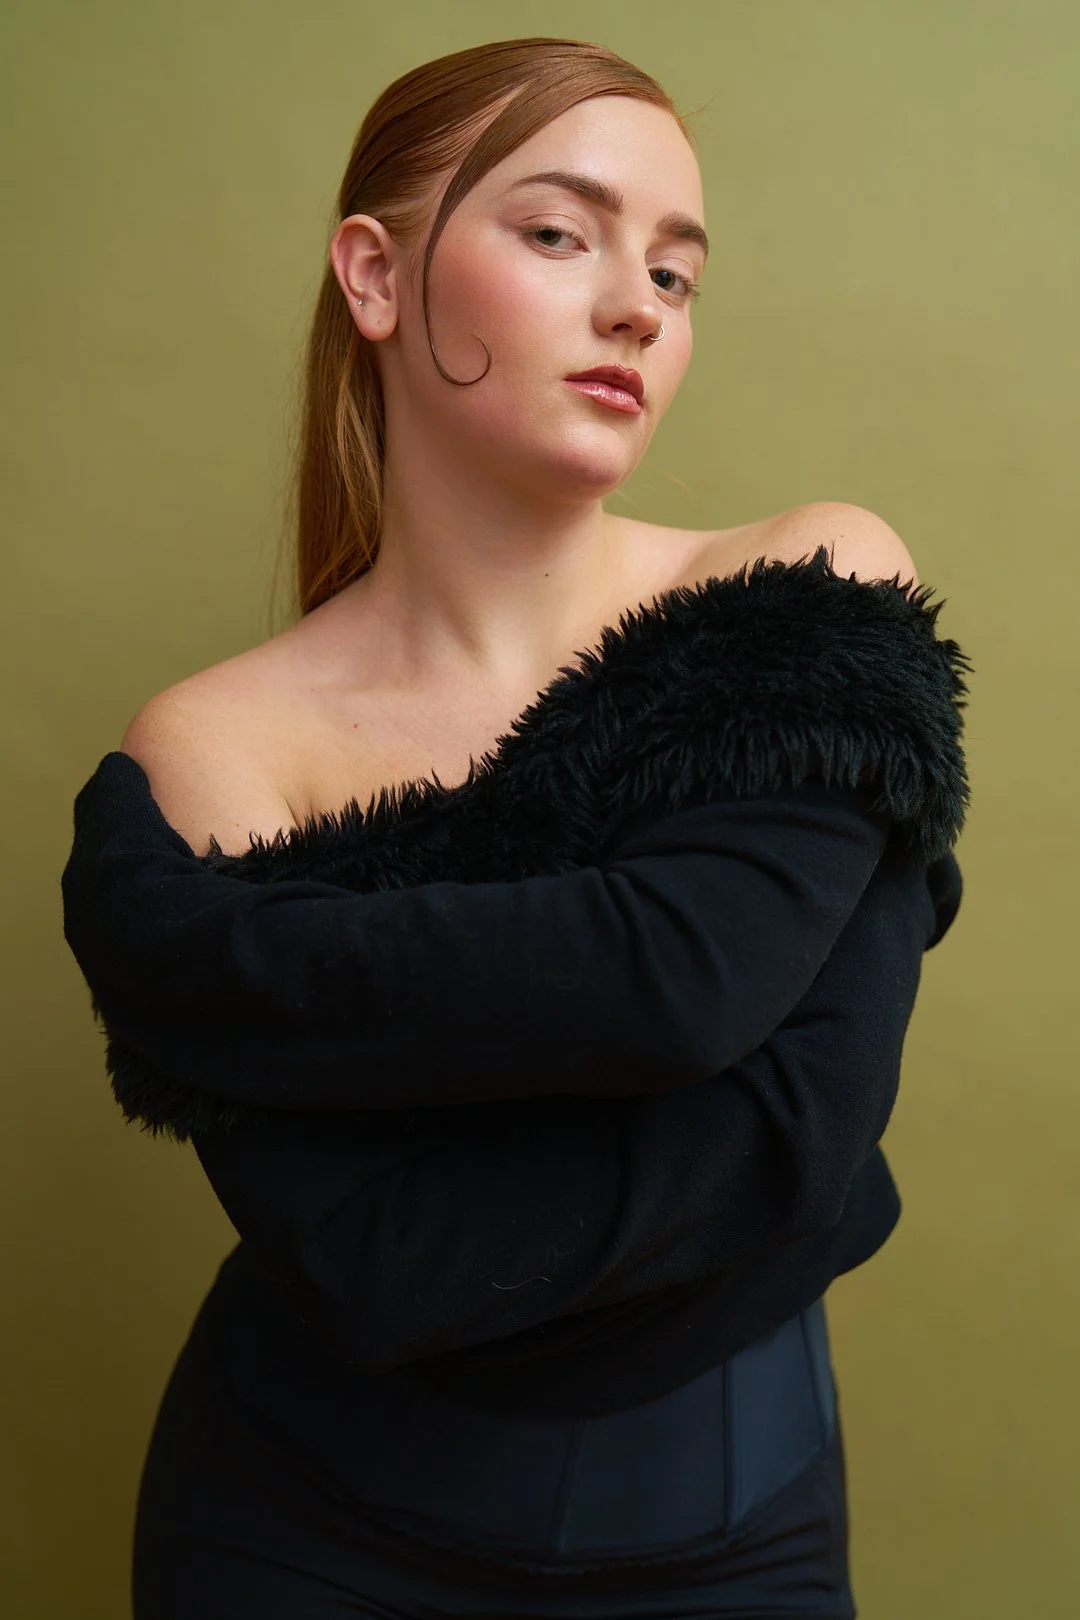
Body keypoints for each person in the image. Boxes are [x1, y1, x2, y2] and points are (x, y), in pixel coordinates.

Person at [60, 36, 972, 1620]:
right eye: (561, 233)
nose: (637, 304)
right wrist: (674, 1065)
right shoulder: (212, 748)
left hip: (742, 1531)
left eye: (676, 275)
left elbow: (733, 1039)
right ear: (375, 275)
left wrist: (276, 975)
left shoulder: (807, 593)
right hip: (298, 1534)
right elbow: (379, 1260)